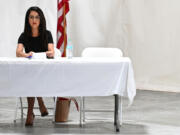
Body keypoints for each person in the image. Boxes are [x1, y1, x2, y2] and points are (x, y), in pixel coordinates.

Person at [16, 6, 54, 126]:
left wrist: (37, 55)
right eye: (31, 17)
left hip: (45, 70)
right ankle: (39, 102)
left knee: (31, 78)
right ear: (28, 20)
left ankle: (30, 112)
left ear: (41, 19)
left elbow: (51, 52)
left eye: (37, 17)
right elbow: (18, 52)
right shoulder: (24, 35)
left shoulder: (47, 34)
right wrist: (26, 55)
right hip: (31, 70)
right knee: (30, 77)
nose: (34, 20)